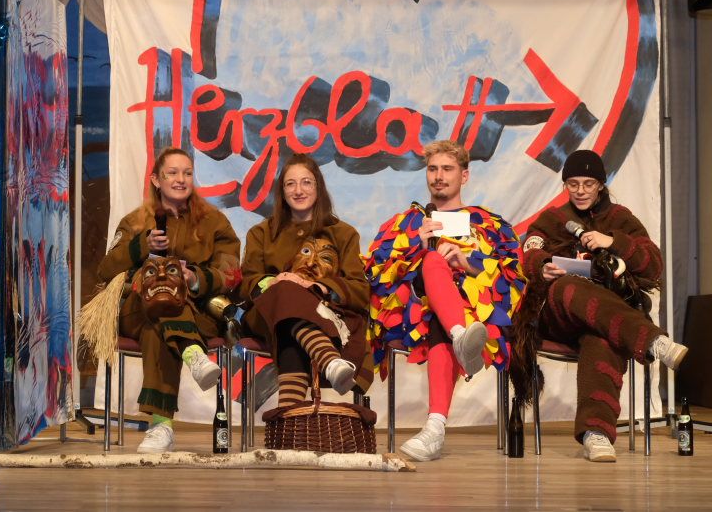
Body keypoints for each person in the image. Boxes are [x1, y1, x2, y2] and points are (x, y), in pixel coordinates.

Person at [510, 149, 688, 463]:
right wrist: (543, 265)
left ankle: (597, 434)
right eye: (573, 184)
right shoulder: (552, 219)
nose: (580, 191)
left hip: (606, 319)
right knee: (568, 285)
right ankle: (653, 341)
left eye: (588, 184)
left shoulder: (621, 219)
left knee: (603, 337)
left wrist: (613, 242)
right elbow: (529, 252)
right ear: (565, 185)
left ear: (601, 185)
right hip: (557, 315)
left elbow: (653, 265)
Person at [364, 139, 525, 461]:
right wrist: (415, 245)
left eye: (447, 169)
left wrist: (468, 263)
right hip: (414, 308)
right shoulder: (406, 222)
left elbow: (513, 274)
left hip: (468, 312)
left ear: (464, 176)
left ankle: (434, 428)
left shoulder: (488, 224)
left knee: (443, 316)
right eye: (433, 169)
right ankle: (460, 338)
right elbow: (375, 271)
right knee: (433, 260)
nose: (439, 176)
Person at [96, 147, 240, 454]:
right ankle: (192, 352)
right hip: (137, 309)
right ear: (156, 180)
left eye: (187, 173)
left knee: (159, 324)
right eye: (172, 173)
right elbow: (105, 270)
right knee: (158, 298)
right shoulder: (136, 221)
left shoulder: (215, 222)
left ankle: (161, 426)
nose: (180, 179)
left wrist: (195, 278)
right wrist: (141, 245)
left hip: (195, 312)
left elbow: (231, 274)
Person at [240, 154, 373, 409]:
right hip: (265, 316)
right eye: (290, 184)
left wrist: (317, 287)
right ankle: (330, 360)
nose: (298, 190)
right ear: (282, 191)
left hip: (325, 316)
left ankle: (286, 424)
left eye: (306, 182)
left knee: (290, 329)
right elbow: (246, 284)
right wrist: (275, 282)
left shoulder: (344, 233)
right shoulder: (261, 233)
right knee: (285, 292)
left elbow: (359, 289)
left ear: (318, 187)